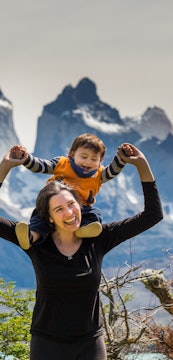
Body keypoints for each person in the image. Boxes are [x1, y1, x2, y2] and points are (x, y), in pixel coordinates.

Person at [0, 143, 163, 360]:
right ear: (49, 217)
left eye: (71, 204)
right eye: (59, 209)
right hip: (46, 345)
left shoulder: (98, 238)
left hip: (90, 345)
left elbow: (153, 215)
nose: (69, 212)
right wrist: (5, 166)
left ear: (80, 205)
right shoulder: (35, 242)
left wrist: (142, 165)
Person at [11, 133, 127, 250]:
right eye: (84, 156)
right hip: (52, 204)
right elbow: (41, 166)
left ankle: (84, 229)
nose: (88, 162)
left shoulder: (100, 175)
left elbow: (113, 171)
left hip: (81, 209)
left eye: (94, 159)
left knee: (94, 214)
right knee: (40, 219)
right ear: (72, 154)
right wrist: (26, 158)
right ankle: (31, 236)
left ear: (100, 161)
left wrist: (121, 157)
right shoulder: (61, 164)